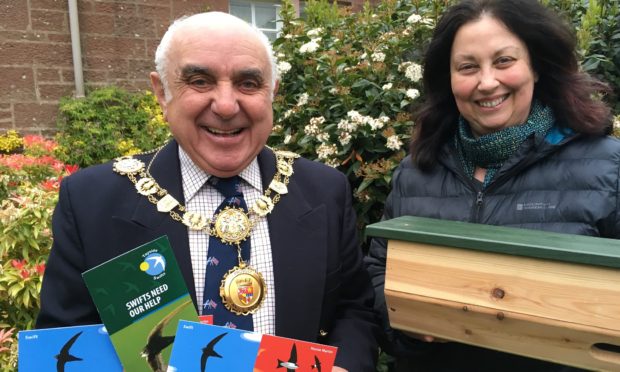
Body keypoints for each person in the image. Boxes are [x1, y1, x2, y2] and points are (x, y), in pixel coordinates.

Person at [36, 12, 378, 372]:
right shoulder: (94, 202)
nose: (227, 105)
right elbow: (65, 344)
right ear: (161, 91)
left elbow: (352, 310)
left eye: (249, 83)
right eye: (200, 81)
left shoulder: (324, 190)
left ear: (272, 93)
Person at [365, 0, 619, 371]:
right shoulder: (417, 171)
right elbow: (378, 269)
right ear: (448, 80)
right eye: (468, 67)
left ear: (536, 66)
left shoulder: (606, 166)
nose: (487, 82)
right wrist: (406, 322)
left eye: (504, 61)